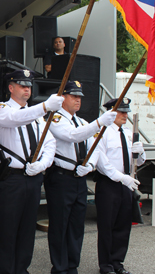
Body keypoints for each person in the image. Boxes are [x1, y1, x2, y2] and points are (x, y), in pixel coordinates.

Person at [0, 69, 63, 274]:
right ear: (10, 87)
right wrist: (44, 107)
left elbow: (50, 143)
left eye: (29, 86)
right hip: (11, 179)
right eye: (22, 85)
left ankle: (22, 269)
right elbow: (15, 119)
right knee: (8, 230)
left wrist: (43, 164)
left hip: (32, 179)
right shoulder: (1, 109)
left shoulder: (37, 115)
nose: (27, 89)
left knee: (26, 231)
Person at [45, 80, 117, 274]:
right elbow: (73, 136)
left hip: (78, 179)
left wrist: (90, 165)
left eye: (80, 97)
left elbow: (95, 145)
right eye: (74, 96)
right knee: (60, 226)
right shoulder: (55, 119)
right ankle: (59, 268)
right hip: (60, 178)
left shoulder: (83, 122)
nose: (78, 100)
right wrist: (99, 122)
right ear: (63, 98)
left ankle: (72, 265)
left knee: (77, 226)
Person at [95, 98, 146, 274]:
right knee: (107, 226)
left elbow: (137, 161)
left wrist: (140, 153)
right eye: (122, 112)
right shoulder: (102, 133)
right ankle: (106, 265)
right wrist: (122, 178)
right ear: (111, 112)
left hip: (126, 184)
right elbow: (103, 164)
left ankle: (118, 262)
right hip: (109, 184)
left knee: (123, 226)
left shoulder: (128, 133)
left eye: (126, 112)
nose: (125, 115)